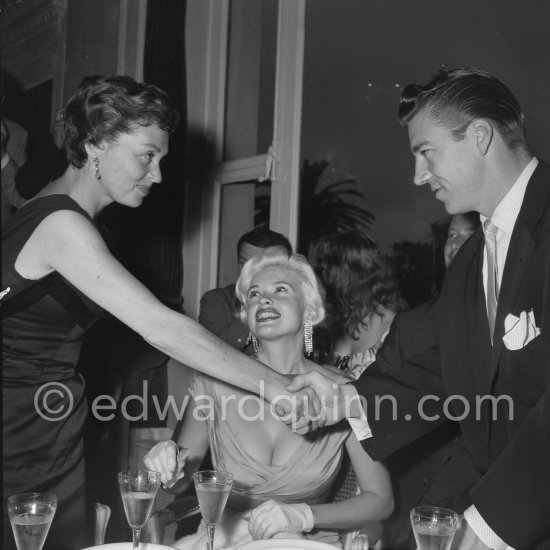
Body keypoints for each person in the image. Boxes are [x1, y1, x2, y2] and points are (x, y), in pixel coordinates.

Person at [1, 76, 317, 550]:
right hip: (22, 434)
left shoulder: (50, 215)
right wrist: (278, 387)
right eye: (147, 155)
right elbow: (163, 329)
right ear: (94, 145)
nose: (157, 175)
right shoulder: (62, 225)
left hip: (44, 424)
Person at [290, 67, 550, 549]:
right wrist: (347, 399)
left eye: (425, 152)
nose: (417, 176)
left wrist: (489, 527)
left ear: (479, 137)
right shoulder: (473, 258)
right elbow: (454, 367)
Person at [144, 248, 393, 549]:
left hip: (308, 544)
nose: (263, 299)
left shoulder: (342, 391)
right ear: (246, 317)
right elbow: (182, 479)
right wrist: (167, 460)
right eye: (253, 294)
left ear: (310, 312)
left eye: (280, 290)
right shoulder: (213, 384)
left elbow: (380, 500)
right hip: (225, 541)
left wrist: (301, 516)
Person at [315, 231, 406, 375]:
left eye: (328, 268)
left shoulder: (397, 326)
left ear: (346, 273)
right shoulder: (338, 325)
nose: (324, 275)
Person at [199, 227, 292, 354]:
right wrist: (252, 307)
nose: (247, 272)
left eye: (258, 265)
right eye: (243, 263)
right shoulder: (217, 300)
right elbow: (211, 355)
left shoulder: (293, 305)